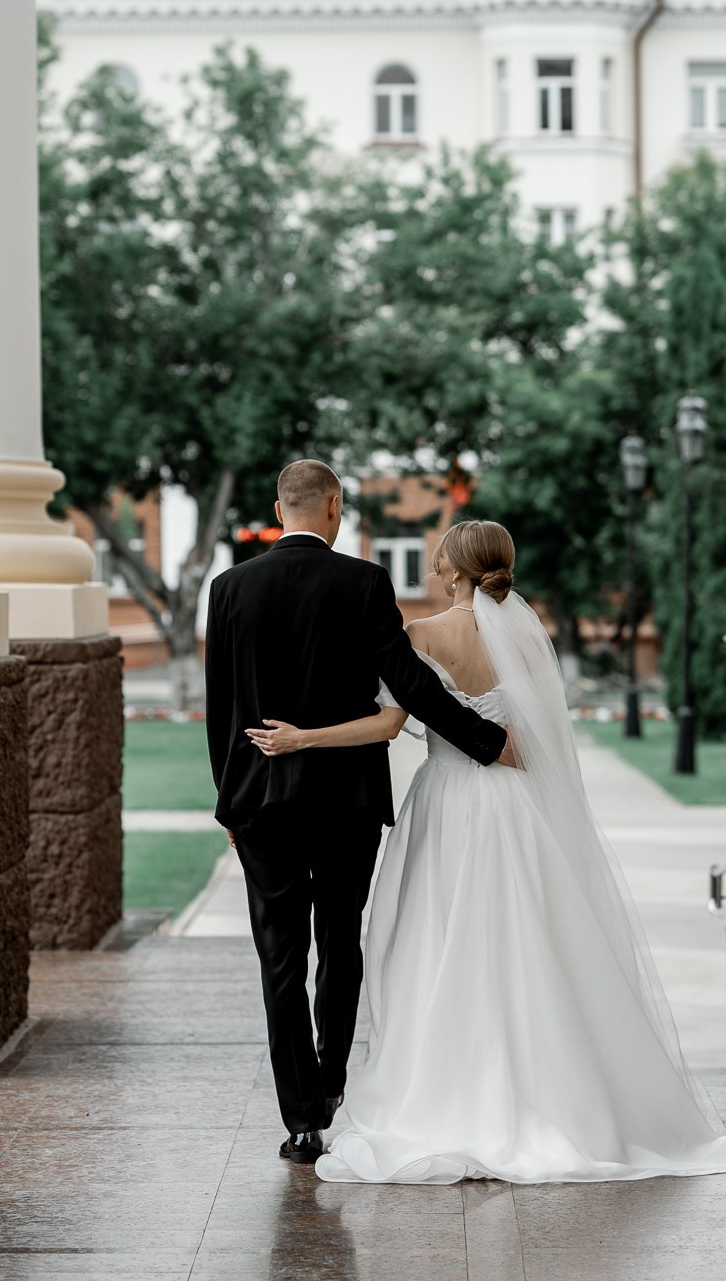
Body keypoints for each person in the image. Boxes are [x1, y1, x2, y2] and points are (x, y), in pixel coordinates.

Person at [247, 518, 726, 1186]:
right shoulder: (528, 639)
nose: (431, 568)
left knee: (434, 944)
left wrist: (302, 739)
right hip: (514, 807)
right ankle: (547, 1094)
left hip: (444, 804)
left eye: (437, 559)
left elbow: (388, 724)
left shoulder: (419, 635)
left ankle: (445, 1090)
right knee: (527, 945)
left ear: (453, 570)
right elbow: (539, 744)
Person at [204, 462, 518, 1166]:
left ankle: (301, 1120)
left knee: (280, 956)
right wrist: (484, 741)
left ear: (277, 507)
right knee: (339, 941)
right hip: (344, 800)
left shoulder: (228, 590)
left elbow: (221, 704)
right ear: (334, 507)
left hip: (260, 801)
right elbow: (406, 683)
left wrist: (229, 797)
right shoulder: (363, 584)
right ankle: (332, 1082)